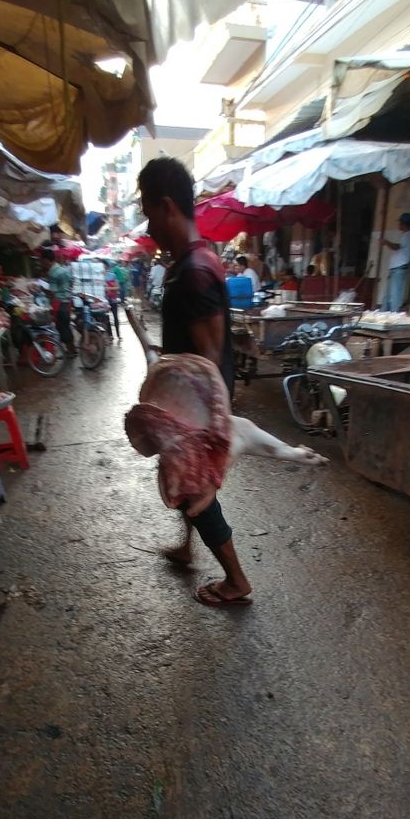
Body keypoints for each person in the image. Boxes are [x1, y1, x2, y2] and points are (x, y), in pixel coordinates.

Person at [138, 156, 252, 607]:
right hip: (188, 403)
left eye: (149, 213)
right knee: (182, 482)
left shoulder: (195, 272)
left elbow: (209, 359)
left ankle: (236, 580)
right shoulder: (191, 263)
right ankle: (187, 546)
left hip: (198, 410)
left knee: (193, 491)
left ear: (168, 206)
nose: (149, 227)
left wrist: (198, 432)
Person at [381, 213, 410, 312]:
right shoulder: (406, 235)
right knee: (388, 294)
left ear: (403, 224)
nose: (398, 225)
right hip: (396, 268)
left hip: (399, 268)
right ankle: (384, 313)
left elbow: (396, 247)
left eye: (400, 223)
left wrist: (386, 242)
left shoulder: (408, 235)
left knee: (395, 294)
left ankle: (394, 315)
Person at [48, 249, 76, 356]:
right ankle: (72, 350)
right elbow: (71, 283)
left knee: (62, 327)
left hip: (59, 303)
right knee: (66, 326)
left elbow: (53, 292)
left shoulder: (52, 272)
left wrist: (45, 292)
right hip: (67, 302)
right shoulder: (63, 270)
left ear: (46, 260)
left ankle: (70, 351)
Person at [103, 259, 121, 340]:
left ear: (106, 267)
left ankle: (118, 335)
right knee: (106, 318)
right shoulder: (98, 277)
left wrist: (108, 288)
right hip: (104, 301)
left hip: (113, 299)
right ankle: (110, 335)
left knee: (115, 317)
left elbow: (118, 287)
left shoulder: (113, 275)